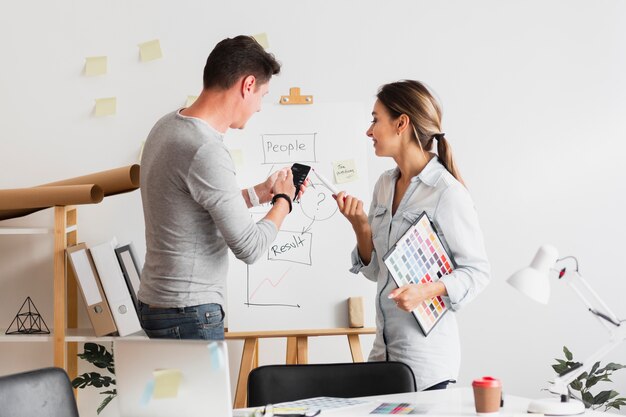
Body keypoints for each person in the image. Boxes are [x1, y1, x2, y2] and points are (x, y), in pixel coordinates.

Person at [137, 35, 305, 341]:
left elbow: (196, 206)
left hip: (158, 301)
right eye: (262, 95)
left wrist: (260, 193)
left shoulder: (167, 126)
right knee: (206, 392)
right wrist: (284, 200)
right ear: (248, 85)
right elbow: (250, 247)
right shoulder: (205, 149)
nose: (259, 108)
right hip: (189, 312)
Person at [335, 80, 490, 391]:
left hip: (426, 364)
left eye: (375, 120)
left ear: (401, 123)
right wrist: (360, 227)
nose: (369, 131)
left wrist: (426, 291)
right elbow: (376, 271)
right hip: (382, 358)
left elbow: (478, 273)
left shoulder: (446, 193)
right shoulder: (384, 185)